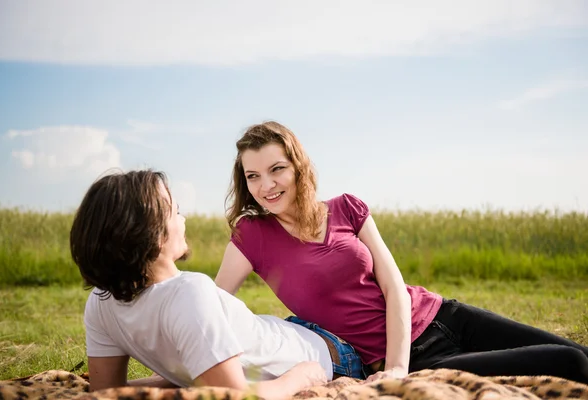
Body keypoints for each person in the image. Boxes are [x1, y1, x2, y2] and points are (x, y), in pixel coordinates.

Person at [215, 120, 588, 385]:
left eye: (276, 169)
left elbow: (393, 285)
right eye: (253, 176)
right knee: (569, 362)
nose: (266, 186)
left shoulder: (347, 207)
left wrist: (396, 365)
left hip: (443, 315)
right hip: (419, 360)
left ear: (298, 167)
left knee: (577, 351)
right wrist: (398, 369)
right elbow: (210, 309)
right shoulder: (252, 235)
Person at [69, 169, 367, 399]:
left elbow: (106, 392)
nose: (183, 220)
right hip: (328, 360)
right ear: (153, 235)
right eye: (175, 212)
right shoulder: (189, 293)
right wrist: (301, 377)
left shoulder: (101, 301)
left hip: (319, 344)